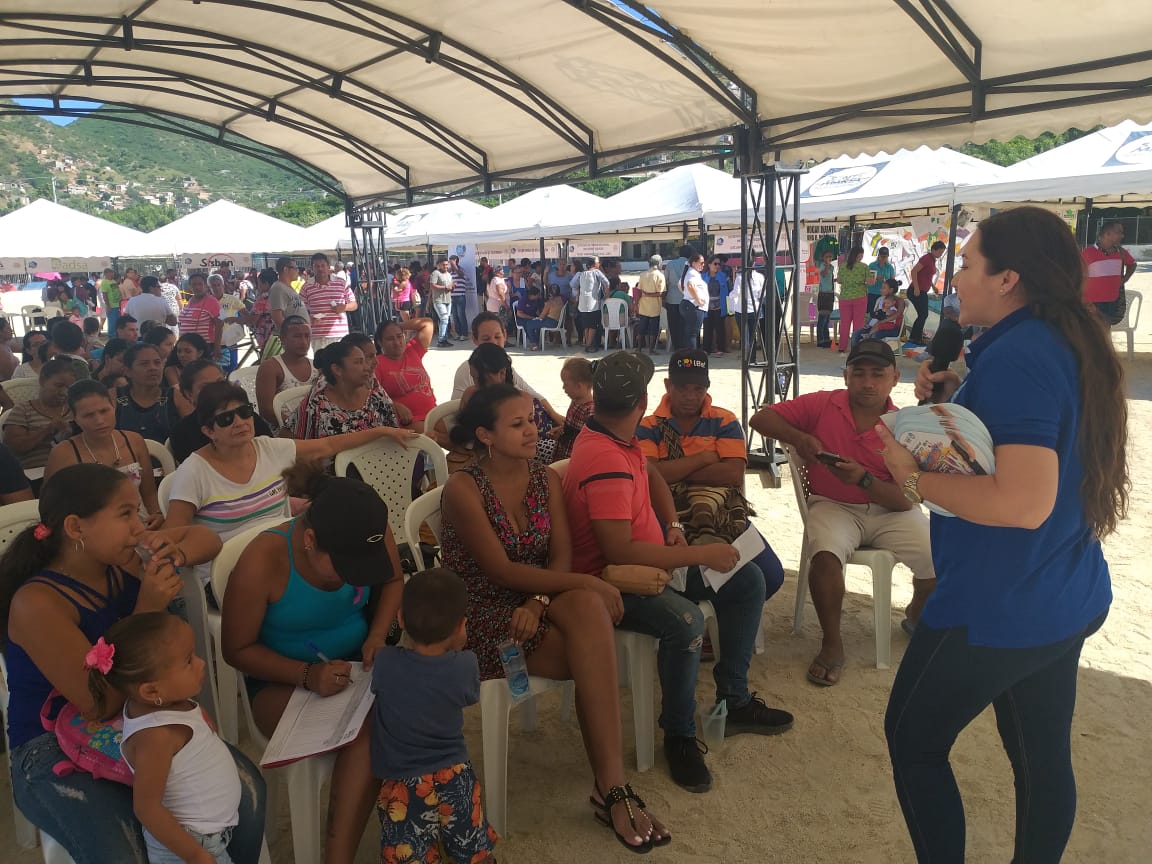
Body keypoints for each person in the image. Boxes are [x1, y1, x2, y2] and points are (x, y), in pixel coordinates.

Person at [870, 207, 1128, 863]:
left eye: (967, 263)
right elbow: (1031, 448)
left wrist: (911, 477)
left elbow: (1022, 502)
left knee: (913, 740)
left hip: (998, 601)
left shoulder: (1020, 356)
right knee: (1042, 758)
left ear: (1009, 277)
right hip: (1062, 590)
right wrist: (960, 397)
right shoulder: (1058, 338)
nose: (955, 277)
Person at [441, 385, 670, 851]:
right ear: (485, 435)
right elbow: (499, 571)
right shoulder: (463, 489)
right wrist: (587, 582)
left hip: (537, 597)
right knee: (592, 649)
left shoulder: (544, 478)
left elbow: (561, 555)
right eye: (517, 424)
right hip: (484, 611)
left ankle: (611, 785)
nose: (532, 430)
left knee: (587, 612)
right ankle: (611, 791)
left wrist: (539, 601)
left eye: (532, 419)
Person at [1, 463, 267, 864]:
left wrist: (177, 551)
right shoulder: (37, 603)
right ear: (75, 527)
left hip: (141, 721)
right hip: (51, 745)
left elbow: (207, 538)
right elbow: (98, 704)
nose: (139, 526)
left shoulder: (123, 561)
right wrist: (148, 608)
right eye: (125, 514)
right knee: (126, 850)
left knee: (246, 795)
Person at [563, 351, 793, 793]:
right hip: (613, 580)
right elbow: (617, 551)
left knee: (748, 580)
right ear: (643, 401)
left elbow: (651, 473)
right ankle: (679, 735)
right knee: (685, 622)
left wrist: (672, 525)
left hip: (648, 561)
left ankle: (735, 699)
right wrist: (700, 555)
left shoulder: (616, 434)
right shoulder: (606, 458)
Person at [221, 465, 402, 864]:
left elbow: (391, 581)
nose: (352, 578)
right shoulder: (263, 561)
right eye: (345, 567)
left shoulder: (367, 531)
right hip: (280, 680)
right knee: (368, 733)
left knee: (422, 702)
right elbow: (237, 650)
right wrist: (307, 674)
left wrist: (377, 636)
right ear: (309, 540)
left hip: (358, 666)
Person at [749, 340, 936, 685]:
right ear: (846, 375)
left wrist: (864, 480)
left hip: (891, 510)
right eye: (859, 373)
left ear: (895, 378)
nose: (868, 383)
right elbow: (760, 418)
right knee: (824, 558)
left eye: (877, 374)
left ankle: (916, 610)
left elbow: (905, 500)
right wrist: (798, 437)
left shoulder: (905, 426)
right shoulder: (823, 403)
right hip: (832, 504)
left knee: (939, 555)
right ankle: (832, 643)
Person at [165, 380, 413, 585]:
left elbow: (328, 445)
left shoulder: (269, 449)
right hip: (226, 576)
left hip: (284, 560)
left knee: (352, 563)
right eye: (226, 419)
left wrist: (382, 431)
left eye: (244, 412)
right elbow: (174, 533)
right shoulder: (194, 471)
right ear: (208, 431)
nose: (239, 422)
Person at [88, 612, 241, 864]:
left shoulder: (165, 702)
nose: (202, 663)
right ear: (151, 690)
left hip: (207, 837)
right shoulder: (155, 736)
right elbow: (146, 807)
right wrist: (196, 855)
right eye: (189, 661)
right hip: (189, 848)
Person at [370, 569, 499, 863]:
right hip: (455, 777)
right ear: (461, 626)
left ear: (401, 619)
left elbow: (377, 685)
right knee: (471, 844)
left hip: (403, 784)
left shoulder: (385, 663)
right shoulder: (466, 665)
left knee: (408, 851)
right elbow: (470, 696)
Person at [637, 349, 785, 597]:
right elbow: (652, 476)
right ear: (668, 385)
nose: (690, 396)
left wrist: (675, 471)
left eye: (698, 389)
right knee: (687, 580)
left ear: (707, 388)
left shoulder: (724, 420)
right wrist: (704, 459)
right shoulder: (648, 425)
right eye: (682, 388)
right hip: (669, 514)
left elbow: (733, 474)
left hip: (723, 511)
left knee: (772, 576)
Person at [45, 379, 162, 526]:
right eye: (88, 415)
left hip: (141, 524)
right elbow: (50, 506)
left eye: (104, 411)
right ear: (75, 418)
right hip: (93, 530)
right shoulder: (63, 453)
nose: (99, 420)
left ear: (113, 407)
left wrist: (157, 514)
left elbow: (150, 494)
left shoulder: (134, 441)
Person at [457, 344, 562, 465]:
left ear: (502, 373)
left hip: (519, 452)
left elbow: (526, 439)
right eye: (474, 378)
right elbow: (461, 431)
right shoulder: (470, 394)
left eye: (482, 380)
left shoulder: (521, 399)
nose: (477, 384)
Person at [285, 340, 402, 440]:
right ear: (337, 369)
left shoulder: (377, 398)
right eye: (358, 362)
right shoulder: (315, 406)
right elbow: (289, 443)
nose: (367, 367)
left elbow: (395, 436)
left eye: (364, 361)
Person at [0, 357, 77, 471]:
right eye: (59, 385)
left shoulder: (75, 409)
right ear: (42, 380)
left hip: (73, 469)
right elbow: (12, 447)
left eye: (69, 388)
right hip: (35, 471)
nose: (64, 392)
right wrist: (46, 430)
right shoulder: (23, 409)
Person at [449, 312, 543, 400]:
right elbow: (456, 407)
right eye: (486, 339)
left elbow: (534, 395)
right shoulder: (467, 370)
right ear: (475, 339)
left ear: (504, 335)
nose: (493, 342)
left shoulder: (505, 365)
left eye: (497, 337)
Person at [373, 318, 437, 430]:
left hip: (433, 413)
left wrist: (396, 326)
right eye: (390, 339)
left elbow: (427, 323)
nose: (397, 342)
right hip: (408, 421)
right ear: (380, 342)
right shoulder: (377, 364)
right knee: (437, 435)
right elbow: (371, 396)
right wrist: (394, 405)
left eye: (399, 336)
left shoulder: (412, 350)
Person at [254, 315, 318, 426]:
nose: (304, 342)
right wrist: (299, 427)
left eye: (307, 336)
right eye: (297, 336)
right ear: (282, 338)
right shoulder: (270, 368)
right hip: (283, 428)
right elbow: (266, 411)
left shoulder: (316, 366)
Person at [116, 343, 179, 444]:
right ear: (128, 371)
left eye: (157, 363)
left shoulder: (175, 396)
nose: (153, 368)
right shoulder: (114, 396)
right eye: (144, 364)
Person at [1082, 218, 1137, 324]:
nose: (1122, 236)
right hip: (1092, 302)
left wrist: (1124, 280)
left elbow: (1132, 264)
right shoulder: (1087, 253)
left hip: (1113, 301)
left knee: (1106, 329)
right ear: (1107, 234)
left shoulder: (1121, 252)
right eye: (1119, 232)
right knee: (1092, 330)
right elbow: (1078, 276)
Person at [300, 252, 358, 351]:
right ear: (312, 268)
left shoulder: (341, 283)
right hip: (317, 336)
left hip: (339, 334)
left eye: (323, 265)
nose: (320, 269)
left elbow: (354, 304)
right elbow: (301, 310)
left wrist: (344, 307)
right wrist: (310, 319)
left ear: (328, 266)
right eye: (317, 266)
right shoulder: (306, 287)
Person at [551, 356, 594, 463]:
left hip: (572, 460)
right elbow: (572, 427)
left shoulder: (590, 411)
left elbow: (587, 441)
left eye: (566, 384)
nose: (563, 388)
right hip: (561, 453)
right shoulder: (575, 401)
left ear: (579, 386)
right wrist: (562, 429)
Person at [906, 240, 947, 345]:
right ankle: (915, 338)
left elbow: (926, 276)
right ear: (934, 250)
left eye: (942, 252)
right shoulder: (926, 258)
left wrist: (933, 286)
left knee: (922, 314)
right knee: (923, 314)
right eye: (940, 252)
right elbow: (914, 271)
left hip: (922, 290)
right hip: (917, 290)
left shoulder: (932, 260)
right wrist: (916, 288)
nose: (940, 254)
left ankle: (915, 337)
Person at [164, 333, 213, 418]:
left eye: (187, 351)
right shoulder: (171, 370)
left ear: (200, 353)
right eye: (179, 351)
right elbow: (180, 395)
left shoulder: (209, 370)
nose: (182, 355)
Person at [177, 275, 223, 361]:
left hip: (203, 347)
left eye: (200, 284)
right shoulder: (191, 300)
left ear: (206, 286)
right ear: (190, 286)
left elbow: (219, 325)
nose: (197, 287)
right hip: (187, 346)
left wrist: (217, 347)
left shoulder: (211, 301)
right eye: (194, 284)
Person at [851, 278, 904, 347]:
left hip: (892, 328)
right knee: (856, 334)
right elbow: (875, 314)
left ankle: (872, 352)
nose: (880, 290)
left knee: (874, 336)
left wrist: (882, 321)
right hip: (876, 325)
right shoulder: (881, 299)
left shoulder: (899, 300)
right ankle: (856, 352)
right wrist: (868, 322)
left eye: (883, 288)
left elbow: (898, 314)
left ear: (891, 290)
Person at [835, 245, 869, 354]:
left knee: (844, 323)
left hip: (845, 298)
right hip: (860, 297)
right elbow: (869, 281)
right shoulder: (864, 267)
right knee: (858, 324)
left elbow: (839, 280)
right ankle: (856, 347)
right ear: (860, 255)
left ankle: (842, 347)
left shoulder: (843, 266)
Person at [571, 259, 608, 352]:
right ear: (594, 264)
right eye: (598, 263)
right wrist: (606, 297)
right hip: (593, 303)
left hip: (582, 303)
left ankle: (587, 343)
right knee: (593, 326)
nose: (599, 264)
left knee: (586, 326)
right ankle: (588, 345)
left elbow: (572, 285)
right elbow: (607, 283)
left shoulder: (581, 274)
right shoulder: (596, 272)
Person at [663, 245, 693, 352]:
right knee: (686, 325)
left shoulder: (670, 264)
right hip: (687, 299)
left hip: (672, 298)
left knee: (674, 324)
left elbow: (665, 282)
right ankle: (686, 347)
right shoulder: (691, 265)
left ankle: (676, 347)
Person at [635, 254, 666, 354]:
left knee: (642, 328)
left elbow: (638, 291)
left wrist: (636, 304)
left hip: (643, 306)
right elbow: (661, 293)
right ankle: (651, 349)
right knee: (653, 330)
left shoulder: (643, 274)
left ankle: (639, 349)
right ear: (659, 263)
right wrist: (650, 294)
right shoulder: (660, 275)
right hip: (654, 307)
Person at [679, 253, 709, 350]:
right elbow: (690, 285)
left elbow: (679, 284)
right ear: (694, 263)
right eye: (701, 263)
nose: (703, 265)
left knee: (689, 332)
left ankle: (688, 354)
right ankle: (692, 355)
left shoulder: (690, 272)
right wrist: (698, 300)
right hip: (694, 306)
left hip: (688, 303)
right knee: (692, 333)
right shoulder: (693, 273)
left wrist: (686, 294)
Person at [268, 257, 307, 332]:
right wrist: (290, 334)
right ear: (286, 269)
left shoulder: (287, 288)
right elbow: (277, 317)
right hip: (293, 336)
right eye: (295, 268)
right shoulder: (278, 288)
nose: (298, 271)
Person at [701, 256, 730, 356]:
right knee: (707, 328)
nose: (717, 266)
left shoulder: (723, 276)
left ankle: (720, 348)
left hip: (720, 306)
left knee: (720, 328)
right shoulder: (703, 277)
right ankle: (706, 349)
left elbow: (730, 289)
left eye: (719, 264)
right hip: (706, 306)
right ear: (709, 264)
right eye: (715, 264)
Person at [514, 284, 548, 351]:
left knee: (539, 324)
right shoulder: (523, 299)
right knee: (528, 324)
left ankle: (537, 342)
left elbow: (540, 310)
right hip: (522, 318)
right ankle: (533, 342)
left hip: (534, 316)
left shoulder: (538, 300)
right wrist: (531, 318)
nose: (539, 296)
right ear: (532, 295)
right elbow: (519, 314)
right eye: (538, 295)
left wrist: (539, 316)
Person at [816, 249, 837, 348]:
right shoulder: (822, 265)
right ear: (823, 258)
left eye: (830, 257)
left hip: (830, 294)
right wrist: (827, 265)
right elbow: (823, 274)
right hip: (824, 294)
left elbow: (829, 279)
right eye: (827, 257)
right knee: (822, 318)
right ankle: (820, 340)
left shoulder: (832, 267)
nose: (829, 258)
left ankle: (826, 339)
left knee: (827, 318)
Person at [448, 256, 471, 342]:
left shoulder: (461, 269)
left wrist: (454, 266)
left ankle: (464, 334)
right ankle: (458, 333)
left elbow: (461, 275)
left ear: (456, 261)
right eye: (450, 261)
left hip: (460, 296)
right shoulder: (450, 271)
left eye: (452, 261)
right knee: (455, 316)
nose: (450, 263)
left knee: (461, 315)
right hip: (452, 296)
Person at [866, 246, 895, 312]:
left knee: (881, 313)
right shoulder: (872, 265)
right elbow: (867, 278)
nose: (883, 258)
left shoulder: (890, 267)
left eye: (885, 256)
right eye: (882, 256)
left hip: (884, 294)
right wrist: (876, 278)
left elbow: (893, 282)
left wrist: (886, 281)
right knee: (871, 312)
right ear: (878, 255)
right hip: (872, 292)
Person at [99, 267, 122, 336]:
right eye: (111, 273)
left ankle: (117, 336)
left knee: (117, 322)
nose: (112, 274)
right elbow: (105, 295)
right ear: (106, 274)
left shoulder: (113, 281)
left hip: (117, 305)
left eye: (113, 273)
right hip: (111, 306)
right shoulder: (104, 282)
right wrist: (108, 305)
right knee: (112, 323)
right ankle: (112, 337)